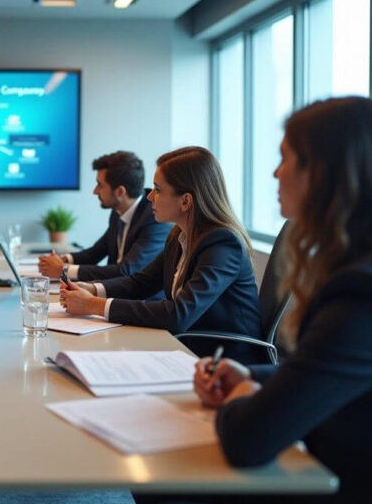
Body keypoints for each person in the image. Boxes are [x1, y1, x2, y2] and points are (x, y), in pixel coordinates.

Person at [135, 97, 372, 504]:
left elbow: (247, 442)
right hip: (362, 480)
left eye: (285, 158)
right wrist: (252, 376)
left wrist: (243, 395)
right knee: (163, 484)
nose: (275, 173)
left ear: (323, 174)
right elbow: (327, 370)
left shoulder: (371, 294)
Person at [60, 146, 261, 362]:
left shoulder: (222, 243)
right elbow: (141, 283)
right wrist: (91, 289)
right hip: (186, 347)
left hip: (226, 363)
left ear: (186, 201)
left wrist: (93, 305)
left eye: (157, 189)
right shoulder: (178, 235)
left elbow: (179, 314)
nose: (149, 197)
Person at [39, 150, 170, 282]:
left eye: (100, 185)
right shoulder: (118, 211)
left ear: (120, 192)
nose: (95, 191)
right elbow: (95, 253)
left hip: (136, 294)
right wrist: (63, 259)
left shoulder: (155, 219)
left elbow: (126, 270)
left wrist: (64, 270)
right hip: (113, 290)